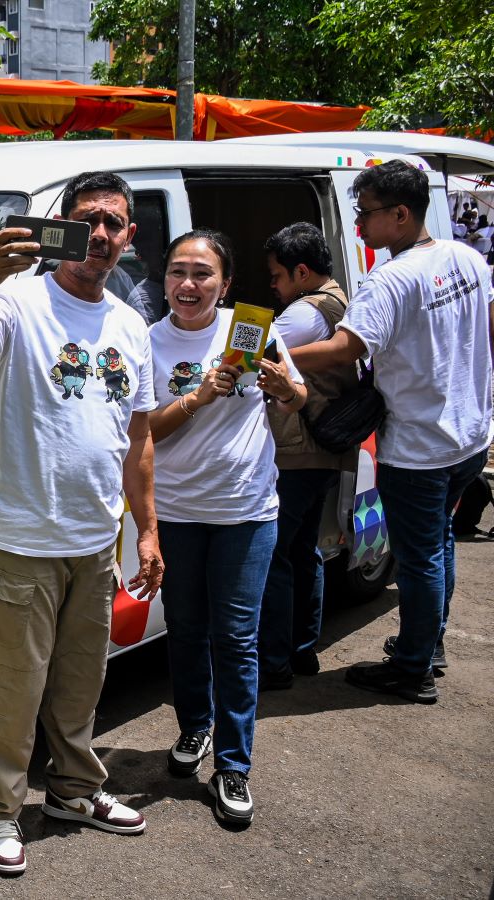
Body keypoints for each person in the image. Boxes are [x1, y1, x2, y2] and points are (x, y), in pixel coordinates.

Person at [0, 171, 164, 875]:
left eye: (114, 223)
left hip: (94, 540)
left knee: (80, 686)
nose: (99, 235)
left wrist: (148, 530)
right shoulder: (18, 299)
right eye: (86, 220)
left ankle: (74, 792)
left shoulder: (131, 324)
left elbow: (138, 441)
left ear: (129, 238)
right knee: (13, 693)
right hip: (17, 541)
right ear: (60, 227)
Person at [290, 159, 493, 704]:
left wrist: (268, 352)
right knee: (439, 544)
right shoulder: (466, 258)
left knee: (421, 555)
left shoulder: (392, 278)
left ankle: (411, 669)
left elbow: (346, 347)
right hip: (469, 437)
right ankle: (430, 645)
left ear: (401, 214)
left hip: (421, 448)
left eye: (366, 214)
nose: (358, 226)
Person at [147, 228, 306, 828]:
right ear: (164, 280)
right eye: (178, 273)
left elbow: (297, 399)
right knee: (185, 630)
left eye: (203, 274)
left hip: (245, 510)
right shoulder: (146, 342)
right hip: (179, 512)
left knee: (235, 639)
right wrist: (200, 396)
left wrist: (282, 387)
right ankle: (195, 730)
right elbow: (145, 433)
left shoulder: (252, 328)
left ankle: (234, 765)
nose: (189, 285)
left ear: (225, 283)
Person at [257, 223, 356, 690]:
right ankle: (301, 650)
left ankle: (274, 660)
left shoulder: (303, 314)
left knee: (275, 552)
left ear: (301, 272)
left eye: (277, 277)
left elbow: (247, 351)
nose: (273, 286)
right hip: (322, 446)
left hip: (298, 447)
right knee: (303, 550)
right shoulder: (336, 298)